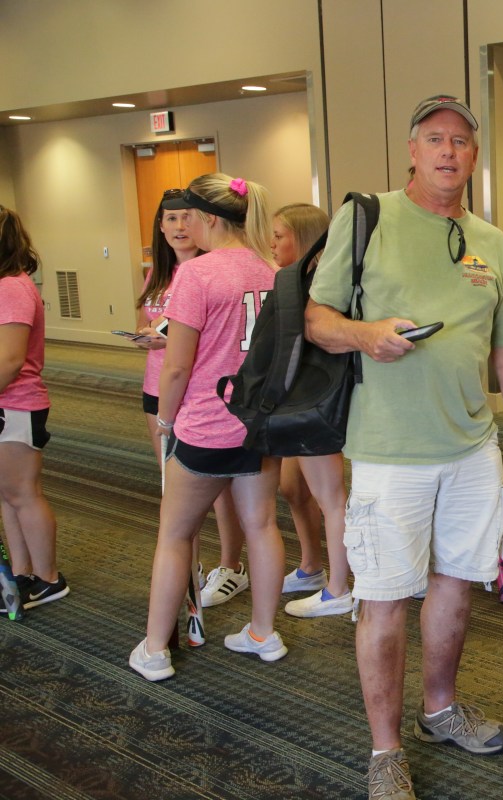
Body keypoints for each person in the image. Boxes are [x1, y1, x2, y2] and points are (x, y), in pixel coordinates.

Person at [305, 94, 503, 800]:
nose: (449, 151)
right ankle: (385, 751)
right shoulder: (367, 219)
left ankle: (440, 709)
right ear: (412, 151)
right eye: (435, 139)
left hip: (473, 449)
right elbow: (316, 320)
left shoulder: (492, 242)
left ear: (474, 156)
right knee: (384, 599)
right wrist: (366, 334)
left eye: (461, 141)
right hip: (389, 453)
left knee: (455, 585)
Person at [129, 173, 287, 681]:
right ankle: (263, 632)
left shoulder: (196, 275)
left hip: (206, 425)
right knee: (261, 525)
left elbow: (176, 367)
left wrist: (166, 420)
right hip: (259, 423)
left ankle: (155, 648)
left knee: (175, 533)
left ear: (209, 219)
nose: (184, 226)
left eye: (189, 217)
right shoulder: (271, 269)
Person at [135, 190, 249, 611]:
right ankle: (188, 566)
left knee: (218, 490)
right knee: (175, 491)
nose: (180, 227)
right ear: (160, 226)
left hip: (201, 396)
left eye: (187, 217)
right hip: (159, 388)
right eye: (171, 219)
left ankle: (230, 564)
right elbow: (146, 324)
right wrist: (147, 338)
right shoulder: (158, 275)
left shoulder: (210, 270)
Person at [265, 203, 354, 617]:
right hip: (295, 404)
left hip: (315, 405)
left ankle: (339, 588)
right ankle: (312, 567)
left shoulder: (322, 290)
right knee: (292, 487)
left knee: (331, 498)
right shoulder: (292, 282)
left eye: (279, 236)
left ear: (301, 240)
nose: (271, 244)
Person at [0, 206, 67, 611]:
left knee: (23, 493)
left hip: (17, 405)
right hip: (7, 405)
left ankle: (48, 578)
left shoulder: (11, 287)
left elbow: (10, 359)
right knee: (9, 496)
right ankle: (23, 572)